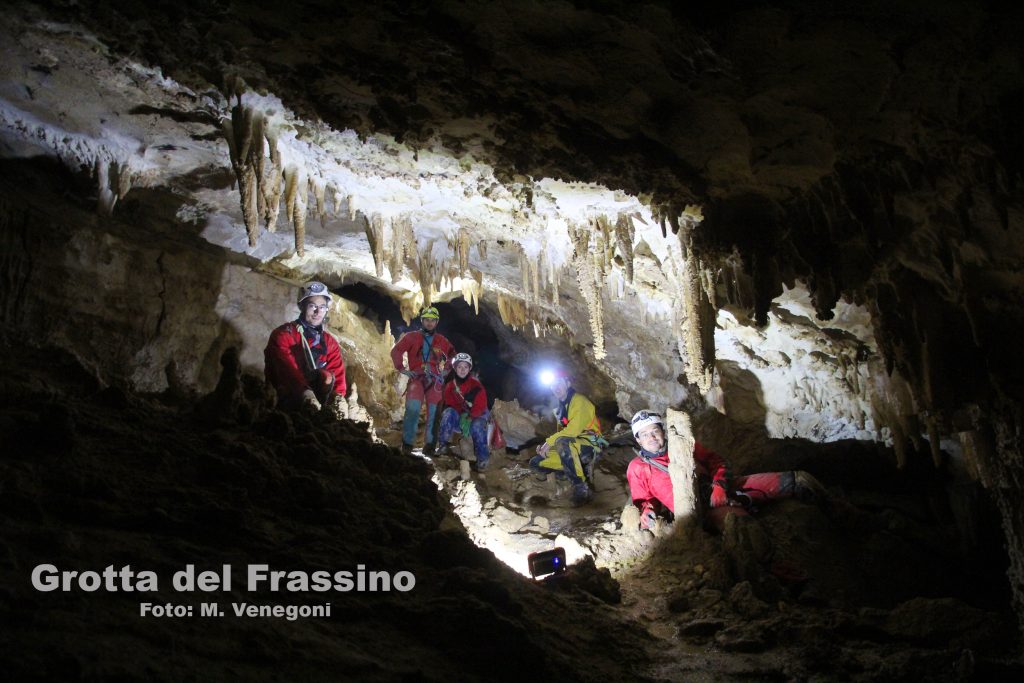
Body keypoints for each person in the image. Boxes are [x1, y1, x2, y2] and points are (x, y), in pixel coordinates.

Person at [627, 409, 826, 531]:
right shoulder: (638, 468)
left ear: (663, 431)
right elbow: (643, 500)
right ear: (638, 439)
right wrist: (648, 511)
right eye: (644, 434)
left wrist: (719, 486)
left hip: (724, 488)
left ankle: (844, 516)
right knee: (741, 528)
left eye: (655, 431)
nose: (651, 437)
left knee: (799, 480)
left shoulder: (684, 445)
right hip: (701, 511)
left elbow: (718, 462)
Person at [264, 281, 346, 411]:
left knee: (327, 376)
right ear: (302, 306)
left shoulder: (330, 343)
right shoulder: (283, 335)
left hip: (320, 406)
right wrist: (307, 395)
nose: (318, 311)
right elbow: (286, 371)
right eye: (312, 306)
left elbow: (338, 378)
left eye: (323, 307)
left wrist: (337, 402)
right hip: (284, 402)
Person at [529, 368, 605, 506]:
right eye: (552, 385)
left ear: (568, 383)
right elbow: (563, 433)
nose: (555, 387)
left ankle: (581, 488)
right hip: (572, 447)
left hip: (591, 445)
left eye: (559, 383)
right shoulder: (560, 409)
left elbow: (573, 431)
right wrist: (547, 449)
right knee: (536, 462)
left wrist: (549, 442)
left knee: (562, 443)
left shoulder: (580, 401)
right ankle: (568, 473)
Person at [390, 306, 456, 454]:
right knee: (412, 409)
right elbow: (396, 351)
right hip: (417, 378)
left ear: (436, 322)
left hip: (435, 380)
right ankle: (407, 445)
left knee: (434, 413)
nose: (429, 323)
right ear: (422, 321)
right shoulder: (412, 336)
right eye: (427, 320)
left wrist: (445, 371)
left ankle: (430, 447)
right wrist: (402, 368)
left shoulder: (442, 341)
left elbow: (454, 356)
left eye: (432, 320)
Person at [436, 352, 491, 469]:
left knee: (477, 425)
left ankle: (483, 459)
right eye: (459, 367)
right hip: (462, 418)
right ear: (455, 369)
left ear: (469, 369)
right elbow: (451, 404)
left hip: (476, 417)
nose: (462, 370)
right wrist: (461, 416)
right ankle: (443, 445)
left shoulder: (476, 385)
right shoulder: (450, 386)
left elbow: (481, 406)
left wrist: (470, 417)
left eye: (465, 367)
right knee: (448, 413)